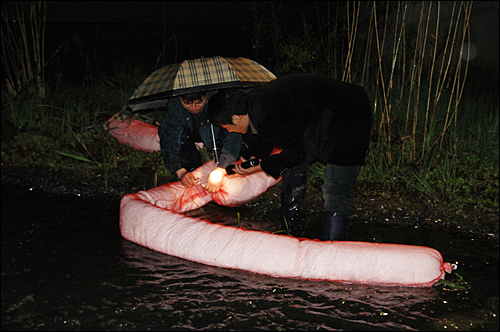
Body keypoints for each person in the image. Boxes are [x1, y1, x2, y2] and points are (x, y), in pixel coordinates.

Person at [207, 73, 374, 241]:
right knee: (292, 162)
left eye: (227, 127)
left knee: (336, 189)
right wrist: (251, 159)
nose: (229, 131)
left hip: (350, 115)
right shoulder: (255, 102)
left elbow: (295, 152)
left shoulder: (266, 114)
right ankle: (289, 223)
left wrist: (262, 165)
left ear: (236, 117)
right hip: (319, 117)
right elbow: (268, 135)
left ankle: (332, 249)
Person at [158, 90, 242, 192]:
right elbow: (169, 137)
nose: (194, 108)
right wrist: (180, 171)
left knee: (235, 159)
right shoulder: (175, 105)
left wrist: (223, 166)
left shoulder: (218, 99)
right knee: (190, 164)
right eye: (187, 104)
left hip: (215, 134)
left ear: (206, 95)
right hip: (190, 133)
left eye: (199, 103)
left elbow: (233, 134)